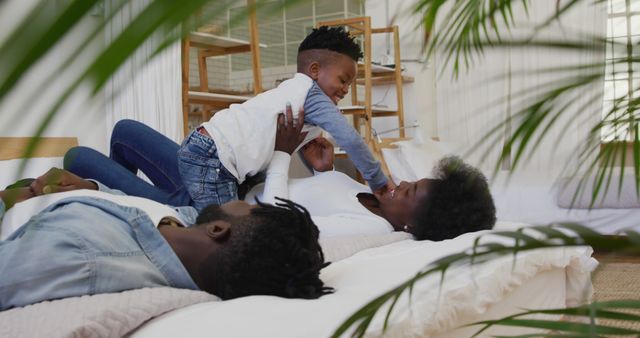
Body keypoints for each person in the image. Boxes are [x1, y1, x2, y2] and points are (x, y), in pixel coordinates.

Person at [65, 26, 394, 212]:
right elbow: (351, 139)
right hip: (215, 161)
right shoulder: (312, 96)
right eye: (344, 80)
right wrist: (380, 182)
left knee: (124, 130)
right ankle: (132, 209)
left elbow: (273, 152)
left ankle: (103, 193)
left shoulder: (294, 94)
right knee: (214, 225)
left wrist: (317, 168)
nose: (346, 90)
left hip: (206, 147)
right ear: (314, 71)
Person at [0, 168, 331, 311]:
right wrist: (91, 188)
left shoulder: (79, 255)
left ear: (219, 229)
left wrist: (20, 202)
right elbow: (141, 209)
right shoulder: (185, 229)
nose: (241, 200)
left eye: (246, 207)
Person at [246, 137, 497, 240]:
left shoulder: (370, 226)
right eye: (413, 182)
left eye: (410, 192)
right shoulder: (380, 202)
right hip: (251, 180)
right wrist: (324, 171)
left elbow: (276, 220)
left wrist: (283, 152)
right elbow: (323, 203)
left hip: (234, 199)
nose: (404, 183)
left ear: (414, 225)